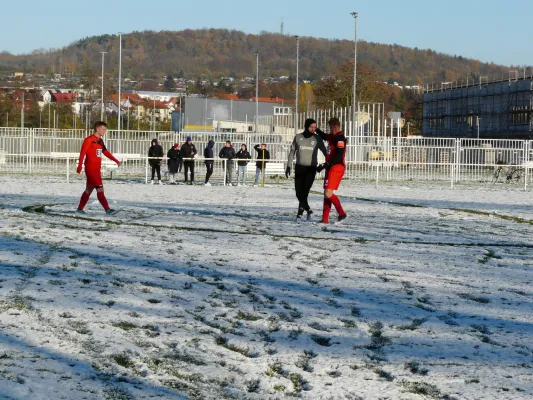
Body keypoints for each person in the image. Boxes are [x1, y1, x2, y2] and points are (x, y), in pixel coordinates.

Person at [286, 118, 327, 221]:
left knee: (304, 192)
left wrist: (326, 164)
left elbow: (325, 152)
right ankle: (308, 210)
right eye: (311, 127)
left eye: (315, 127)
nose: (313, 129)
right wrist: (288, 166)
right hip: (299, 168)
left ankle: (299, 214)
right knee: (298, 193)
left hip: (311, 169)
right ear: (306, 126)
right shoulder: (298, 137)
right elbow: (292, 152)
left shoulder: (317, 139)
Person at [76, 121, 120, 215]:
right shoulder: (89, 139)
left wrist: (115, 160)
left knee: (89, 189)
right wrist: (80, 165)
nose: (104, 131)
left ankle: (80, 209)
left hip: (96, 169)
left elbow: (105, 152)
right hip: (91, 169)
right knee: (100, 189)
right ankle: (107, 210)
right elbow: (82, 153)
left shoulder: (100, 141)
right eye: (103, 129)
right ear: (97, 129)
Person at [316, 117, 348, 224]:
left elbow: (339, 155)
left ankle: (342, 214)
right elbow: (324, 136)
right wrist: (315, 128)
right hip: (330, 167)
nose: (330, 130)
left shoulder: (340, 138)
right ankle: (325, 219)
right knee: (326, 193)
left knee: (328, 193)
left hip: (337, 167)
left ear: (335, 127)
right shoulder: (332, 136)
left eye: (331, 127)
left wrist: (326, 164)